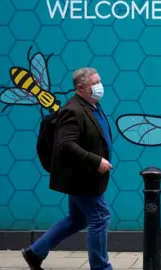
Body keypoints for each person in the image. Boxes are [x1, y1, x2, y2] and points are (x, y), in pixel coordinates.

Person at [21, 67, 113, 270]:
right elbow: (65, 144)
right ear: (80, 88)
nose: (99, 86)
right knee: (100, 217)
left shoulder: (92, 105)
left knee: (77, 219)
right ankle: (101, 267)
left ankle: (35, 252)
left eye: (99, 81)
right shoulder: (73, 110)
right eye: (94, 83)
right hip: (83, 178)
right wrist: (95, 161)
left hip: (84, 177)